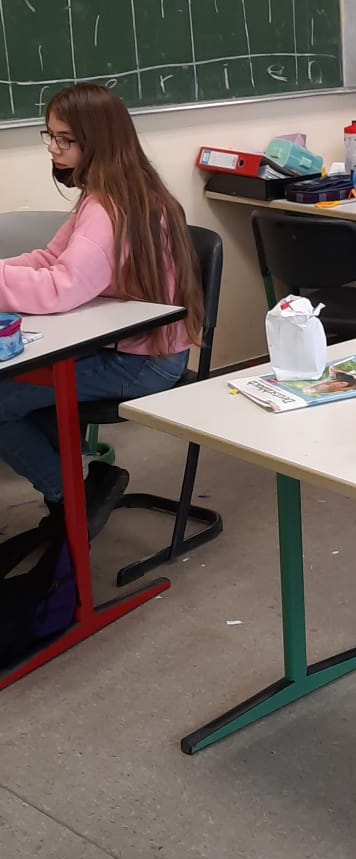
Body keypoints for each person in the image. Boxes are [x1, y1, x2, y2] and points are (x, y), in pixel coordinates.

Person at [0, 84, 201, 533]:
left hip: (144, 361)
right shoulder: (107, 193)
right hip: (126, 347)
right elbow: (52, 259)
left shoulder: (111, 208)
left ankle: (74, 491)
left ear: (98, 140)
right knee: (24, 387)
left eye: (65, 139)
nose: (53, 148)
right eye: (50, 136)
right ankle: (78, 485)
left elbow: (60, 288)